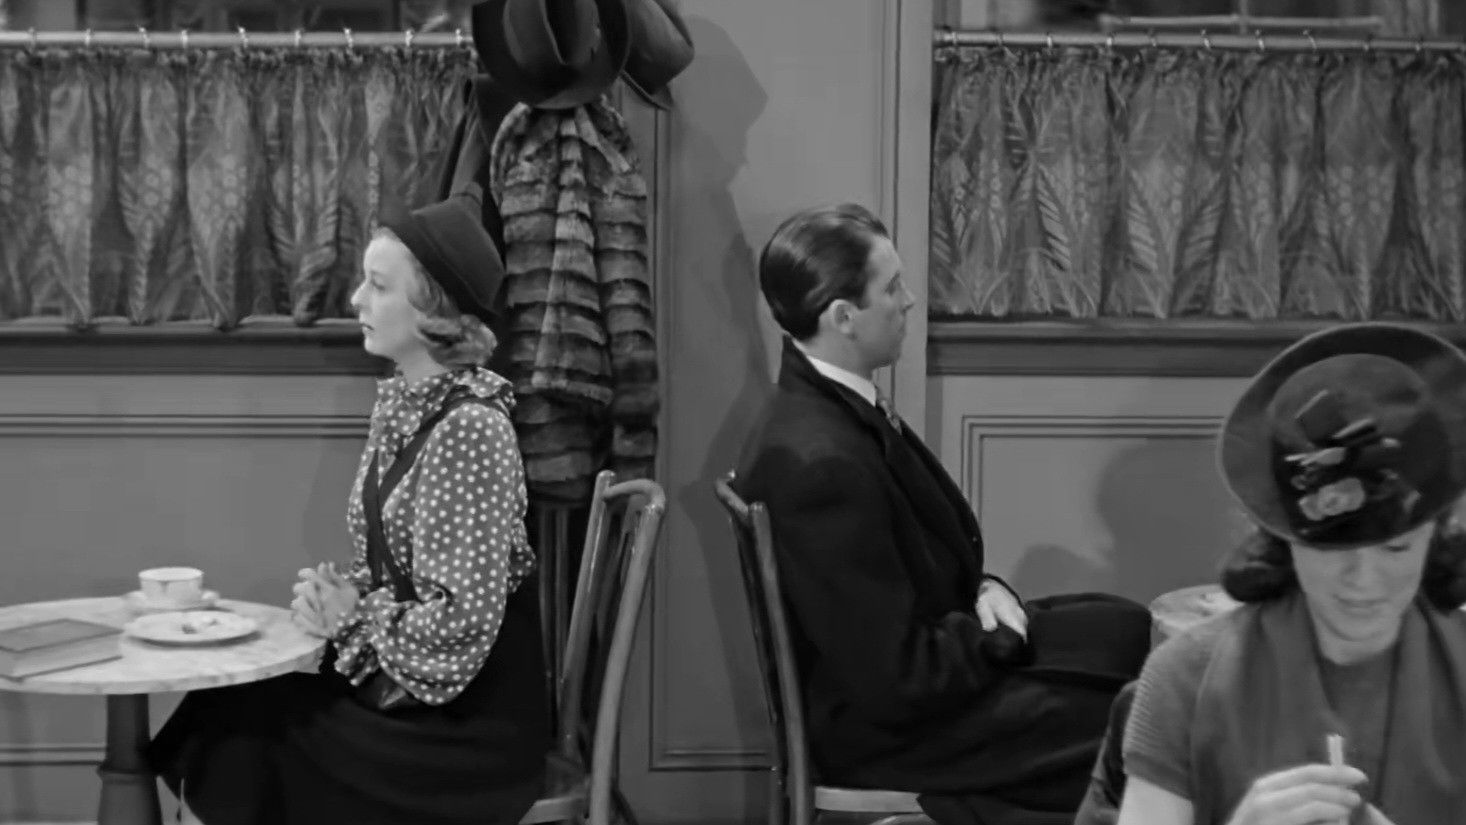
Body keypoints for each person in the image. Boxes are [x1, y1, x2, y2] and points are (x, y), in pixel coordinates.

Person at [732, 203, 1152, 825]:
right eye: (892, 287)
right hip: (891, 733)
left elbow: (920, 562)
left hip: (925, 675)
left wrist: (985, 591)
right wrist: (1002, 634)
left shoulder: (835, 407)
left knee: (1125, 628)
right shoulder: (819, 462)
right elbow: (898, 678)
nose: (909, 301)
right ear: (844, 317)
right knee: (1138, 717)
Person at [146, 191, 551, 825]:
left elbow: (461, 625)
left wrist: (354, 619)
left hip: (465, 726)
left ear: (435, 311)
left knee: (244, 727)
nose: (357, 300)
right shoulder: (407, 407)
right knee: (225, 701)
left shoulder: (469, 428)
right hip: (415, 687)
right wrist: (340, 596)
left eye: (378, 286)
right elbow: (399, 571)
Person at [1117, 322, 1466, 825]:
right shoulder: (1186, 676)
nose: (1364, 580)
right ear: (1284, 539)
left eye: (1396, 549)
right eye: (1333, 551)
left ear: (1437, 533)